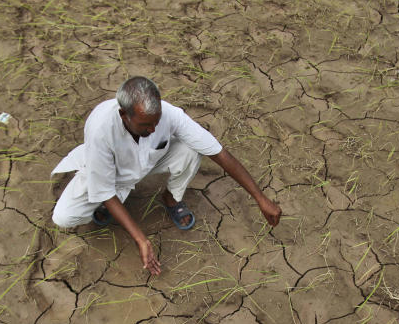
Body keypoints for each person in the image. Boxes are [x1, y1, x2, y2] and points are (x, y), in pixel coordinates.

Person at [51, 76, 282, 275]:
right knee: (64, 217)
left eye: (156, 122)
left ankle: (171, 199)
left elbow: (218, 152)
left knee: (192, 149)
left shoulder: (168, 115)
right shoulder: (101, 130)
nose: (153, 129)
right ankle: (110, 205)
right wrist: (141, 239)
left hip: (149, 162)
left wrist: (260, 198)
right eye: (145, 125)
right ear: (124, 115)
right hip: (110, 172)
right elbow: (105, 191)